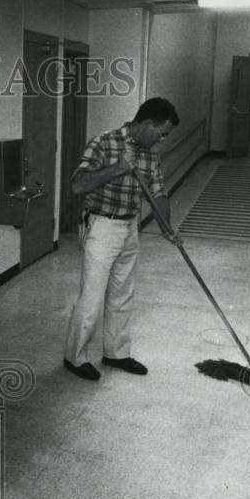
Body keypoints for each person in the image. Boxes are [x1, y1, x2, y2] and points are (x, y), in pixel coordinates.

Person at [63, 97, 183, 381]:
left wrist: (167, 228)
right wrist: (117, 168)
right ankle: (75, 357)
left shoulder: (150, 153)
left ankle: (116, 353)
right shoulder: (104, 143)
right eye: (162, 133)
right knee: (92, 296)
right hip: (102, 225)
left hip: (130, 226)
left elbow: (158, 192)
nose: (163, 140)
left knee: (122, 292)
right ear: (147, 123)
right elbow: (77, 185)